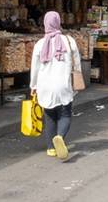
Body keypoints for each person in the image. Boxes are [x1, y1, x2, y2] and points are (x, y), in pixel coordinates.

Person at [29, 11, 81, 161]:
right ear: (59, 22)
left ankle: (51, 149)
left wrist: (33, 85)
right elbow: (76, 63)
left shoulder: (39, 44)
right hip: (63, 85)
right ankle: (60, 137)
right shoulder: (69, 41)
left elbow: (35, 68)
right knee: (65, 114)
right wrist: (77, 81)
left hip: (45, 86)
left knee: (50, 116)